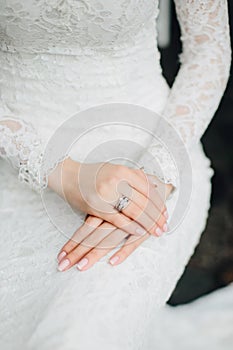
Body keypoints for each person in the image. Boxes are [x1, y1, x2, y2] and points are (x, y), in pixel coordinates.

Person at [0, 1, 231, 349]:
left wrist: (152, 177)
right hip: (14, 164)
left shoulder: (156, 167)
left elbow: (208, 50)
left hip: (156, 149)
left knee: (75, 336)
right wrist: (58, 171)